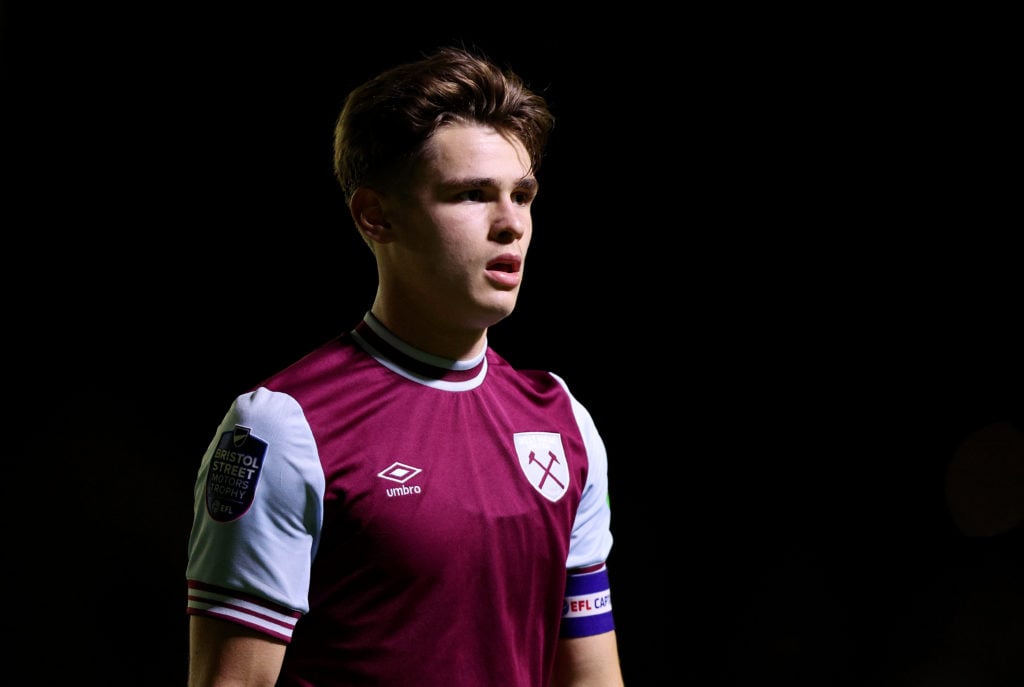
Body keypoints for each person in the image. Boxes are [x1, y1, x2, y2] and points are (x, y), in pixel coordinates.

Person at [185, 45, 624, 686]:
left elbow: (592, 679)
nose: (511, 225)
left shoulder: (564, 423)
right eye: (471, 195)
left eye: (523, 195)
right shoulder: (281, 427)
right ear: (376, 215)